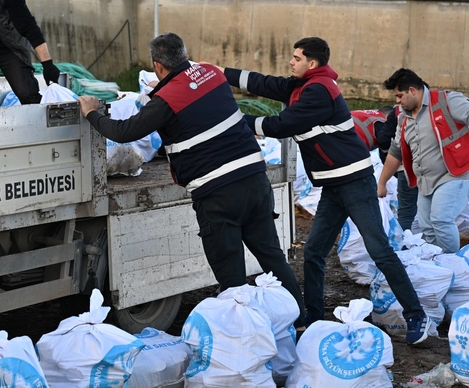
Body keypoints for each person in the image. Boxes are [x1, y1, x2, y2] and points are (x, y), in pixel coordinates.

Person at [76, 32, 306, 325]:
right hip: (255, 180)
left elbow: (124, 132)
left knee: (232, 279)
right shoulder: (211, 73)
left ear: (157, 66)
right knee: (273, 259)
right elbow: (193, 92)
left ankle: (243, 338)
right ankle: (300, 322)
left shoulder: (165, 100)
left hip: (218, 195)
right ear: (184, 55)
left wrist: (91, 113)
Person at [219, 37, 430, 344]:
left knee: (379, 250)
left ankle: (416, 315)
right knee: (314, 251)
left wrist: (233, 120)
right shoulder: (301, 86)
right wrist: (221, 73)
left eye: (297, 58)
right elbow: (264, 83)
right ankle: (314, 316)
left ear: (312, 63)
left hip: (355, 183)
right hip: (332, 186)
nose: (291, 62)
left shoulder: (319, 91)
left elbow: (281, 125)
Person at [377, 68, 469, 254]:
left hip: (455, 175)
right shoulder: (403, 118)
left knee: (441, 219)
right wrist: (382, 182)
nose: (397, 101)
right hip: (425, 181)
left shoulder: (447, 101)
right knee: (427, 227)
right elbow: (395, 152)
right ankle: (436, 262)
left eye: (399, 95)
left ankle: (451, 261)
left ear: (412, 90)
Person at [377, 105, 420, 232]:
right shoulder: (438, 106)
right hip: (435, 170)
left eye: (399, 96)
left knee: (405, 213)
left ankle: (405, 241)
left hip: (405, 168)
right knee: (434, 213)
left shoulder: (398, 112)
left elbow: (384, 140)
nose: (398, 100)